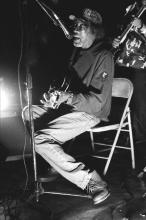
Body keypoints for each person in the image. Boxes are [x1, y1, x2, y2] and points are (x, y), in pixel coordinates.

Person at [22, 8, 114, 205]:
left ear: (94, 31)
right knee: (26, 112)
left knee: (40, 140)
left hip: (89, 112)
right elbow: (67, 85)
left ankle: (92, 182)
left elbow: (97, 102)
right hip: (69, 107)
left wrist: (68, 97)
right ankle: (56, 161)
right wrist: (54, 97)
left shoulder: (104, 55)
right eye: (75, 26)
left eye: (82, 27)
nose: (75, 30)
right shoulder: (77, 52)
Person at [112, 1, 146, 144]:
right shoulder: (131, 7)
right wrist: (115, 41)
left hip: (142, 64)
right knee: (125, 100)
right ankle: (126, 134)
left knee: (139, 102)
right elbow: (122, 31)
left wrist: (142, 26)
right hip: (124, 61)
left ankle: (138, 137)